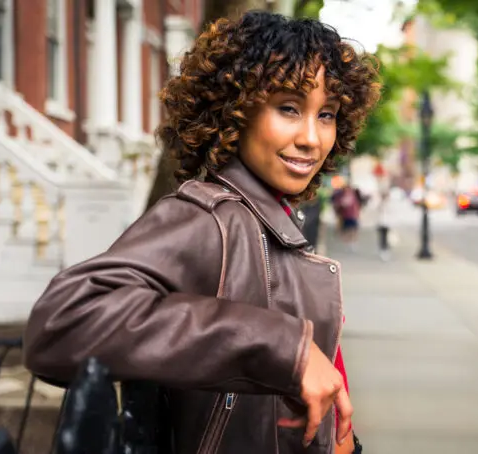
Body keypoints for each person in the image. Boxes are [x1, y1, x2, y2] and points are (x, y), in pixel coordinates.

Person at [23, 11, 380, 454]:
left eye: (326, 114)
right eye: (288, 107)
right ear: (235, 109)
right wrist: (285, 347)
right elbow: (63, 322)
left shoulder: (274, 225)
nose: (311, 137)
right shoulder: (209, 219)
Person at [332, 184, 364, 249]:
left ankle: (352, 241)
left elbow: (357, 206)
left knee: (353, 229)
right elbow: (338, 204)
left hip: (352, 215)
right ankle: (347, 241)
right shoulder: (342, 196)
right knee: (347, 229)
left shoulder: (353, 196)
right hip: (345, 215)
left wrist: (357, 214)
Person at [376, 191, 392, 261]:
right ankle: (383, 250)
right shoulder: (380, 204)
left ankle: (385, 249)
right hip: (381, 223)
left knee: (385, 237)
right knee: (383, 237)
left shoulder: (389, 204)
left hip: (386, 223)